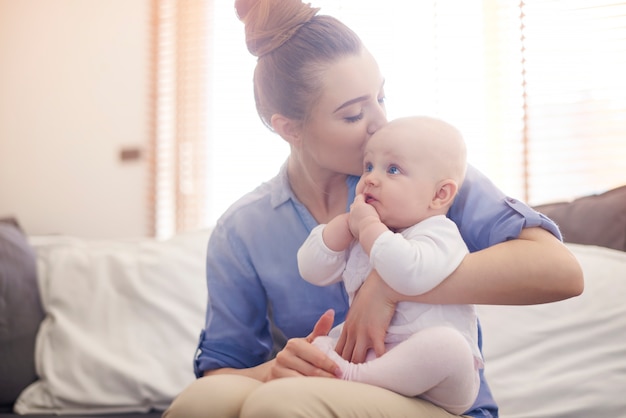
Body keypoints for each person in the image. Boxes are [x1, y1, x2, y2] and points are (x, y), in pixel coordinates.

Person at [163, 0, 583, 417]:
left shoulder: (425, 175)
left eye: (381, 97)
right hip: (320, 387)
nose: (380, 122)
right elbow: (221, 374)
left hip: (435, 402)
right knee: (198, 404)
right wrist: (280, 365)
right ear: (288, 128)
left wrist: (389, 286)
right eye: (353, 114)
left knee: (282, 404)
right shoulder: (243, 229)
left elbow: (560, 271)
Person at [298, 116, 481, 414]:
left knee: (449, 346)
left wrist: (368, 226)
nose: (370, 178)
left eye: (393, 170)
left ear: (439, 195)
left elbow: (407, 273)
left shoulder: (439, 232)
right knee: (319, 344)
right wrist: (344, 226)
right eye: (368, 166)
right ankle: (346, 371)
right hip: (377, 356)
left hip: (440, 382)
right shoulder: (363, 234)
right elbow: (311, 270)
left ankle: (351, 376)